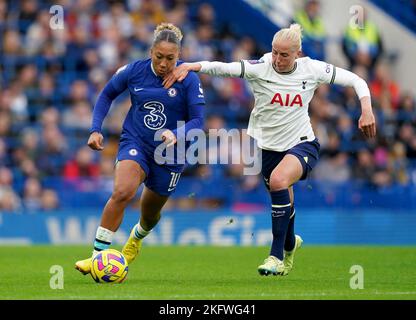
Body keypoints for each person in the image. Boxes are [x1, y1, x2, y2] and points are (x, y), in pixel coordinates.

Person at [163, 23, 376, 276]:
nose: (277, 58)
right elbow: (224, 69)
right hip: (268, 148)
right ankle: (289, 245)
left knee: (278, 180)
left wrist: (366, 109)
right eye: (274, 52)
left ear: (298, 54)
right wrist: (191, 65)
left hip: (302, 142)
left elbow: (357, 80)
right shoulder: (262, 67)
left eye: (284, 54)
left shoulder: (313, 69)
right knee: (283, 201)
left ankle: (275, 257)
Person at [75, 23, 205, 275]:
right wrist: (95, 129)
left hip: (171, 154)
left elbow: (199, 121)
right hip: (137, 142)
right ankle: (97, 258)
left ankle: (136, 237)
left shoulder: (188, 79)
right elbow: (106, 95)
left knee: (149, 215)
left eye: (170, 58)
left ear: (179, 55)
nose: (164, 63)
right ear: (151, 52)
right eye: (159, 57)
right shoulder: (134, 71)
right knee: (123, 192)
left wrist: (177, 134)